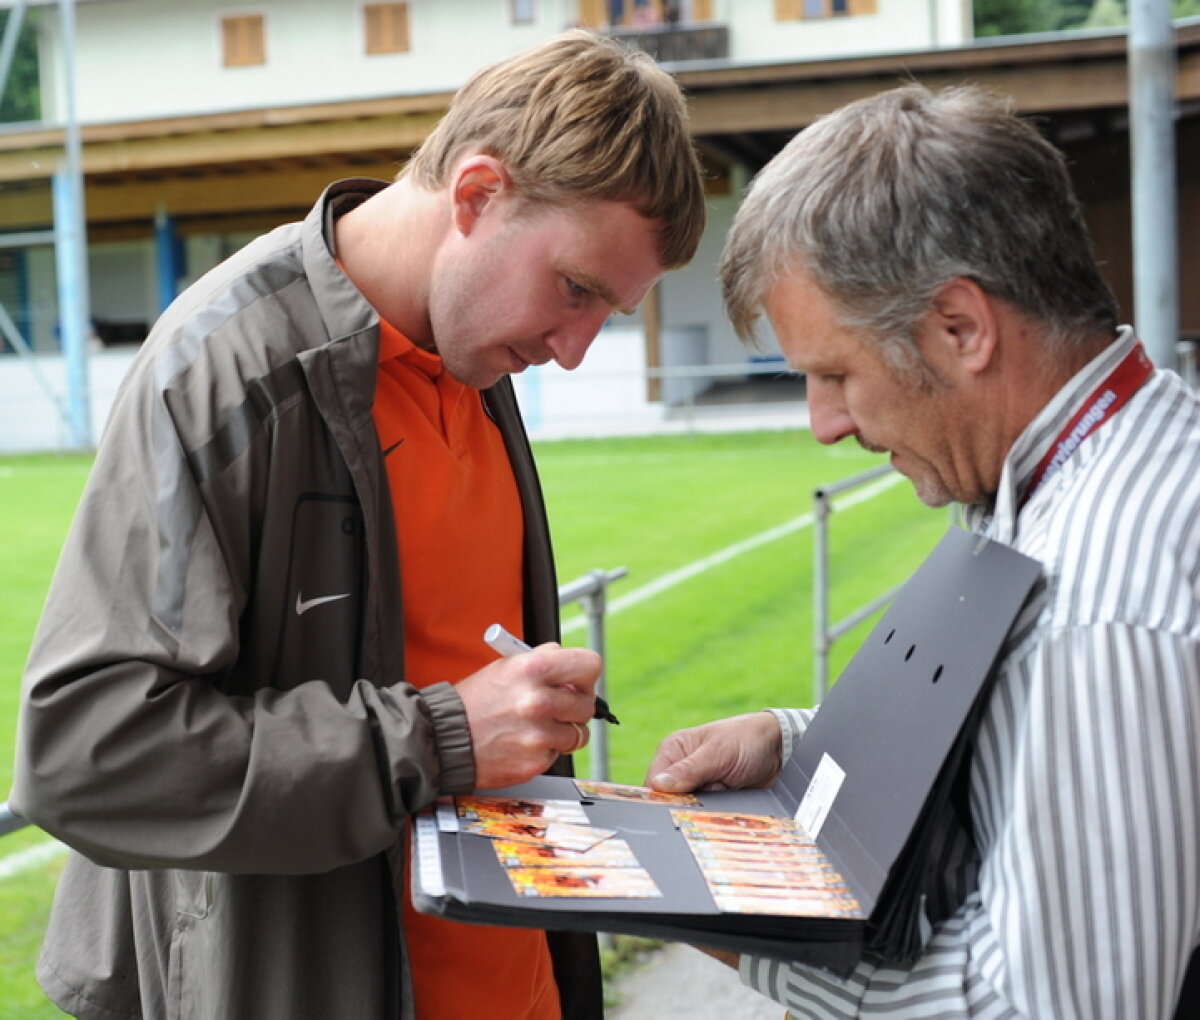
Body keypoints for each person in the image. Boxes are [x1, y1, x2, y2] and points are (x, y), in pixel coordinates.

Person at [10, 29, 705, 1020]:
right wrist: (439, 736)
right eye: (576, 290)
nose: (575, 350)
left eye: (609, 314)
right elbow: (85, 754)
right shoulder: (224, 374)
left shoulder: (476, 349)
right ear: (477, 195)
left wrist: (519, 711)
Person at [646, 83, 1200, 1018]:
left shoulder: (1100, 617)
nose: (824, 424)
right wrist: (799, 747)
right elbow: (1031, 751)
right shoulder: (1104, 456)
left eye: (835, 373)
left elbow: (1047, 1009)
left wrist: (745, 936)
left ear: (961, 328)